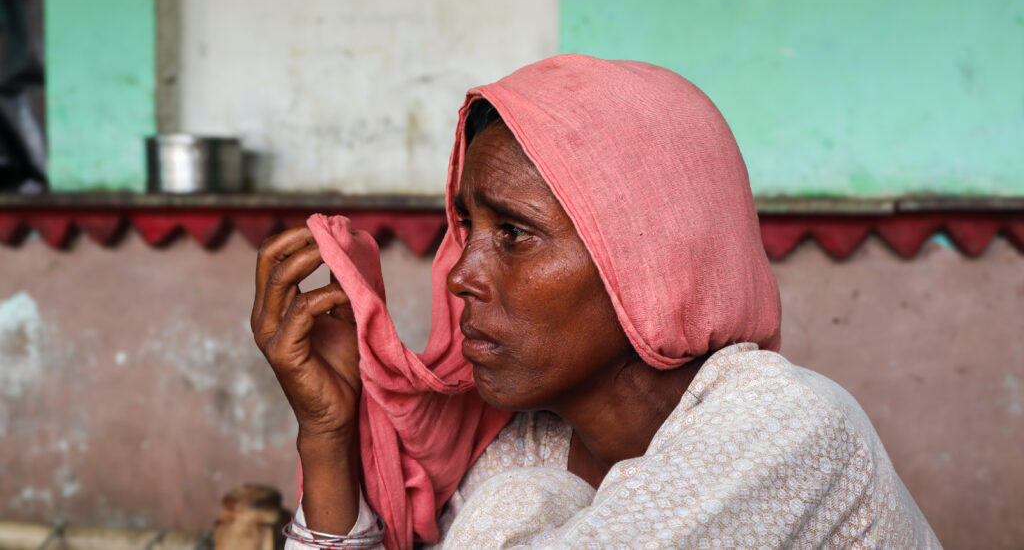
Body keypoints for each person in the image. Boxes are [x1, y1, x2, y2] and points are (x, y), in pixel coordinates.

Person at [251, 55, 940, 549]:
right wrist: (329, 436)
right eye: (466, 226)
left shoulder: (782, 426)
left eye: (513, 233)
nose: (461, 274)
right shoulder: (528, 446)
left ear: (648, 261)